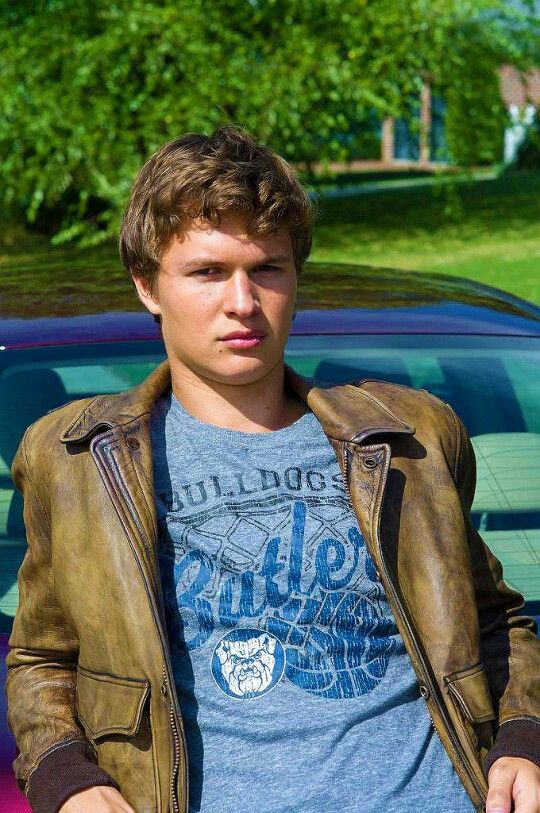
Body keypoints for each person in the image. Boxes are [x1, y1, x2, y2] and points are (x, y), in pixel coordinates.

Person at [6, 125, 540, 813]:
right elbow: (41, 659)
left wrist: (524, 734)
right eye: (206, 272)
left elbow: (498, 621)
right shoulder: (74, 457)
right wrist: (65, 776)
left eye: (267, 269)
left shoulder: (409, 437)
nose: (242, 302)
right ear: (148, 285)